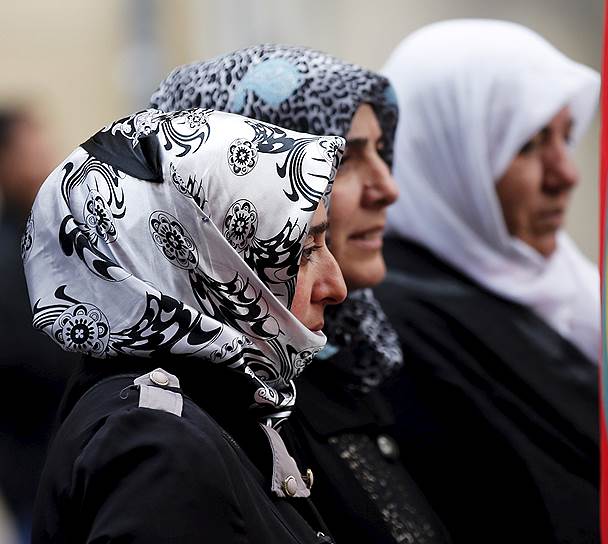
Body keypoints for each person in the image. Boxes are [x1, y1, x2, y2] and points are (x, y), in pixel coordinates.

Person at [150, 45, 449, 544]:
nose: (387, 187)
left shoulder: (357, 357)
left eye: (381, 151)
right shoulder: (216, 411)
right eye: (346, 159)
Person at [27, 107, 348, 542]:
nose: (336, 286)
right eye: (303, 251)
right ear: (200, 261)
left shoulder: (204, 405)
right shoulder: (159, 446)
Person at [376, 20, 602, 543]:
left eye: (566, 136)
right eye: (528, 144)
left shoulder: (572, 286)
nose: (565, 174)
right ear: (447, 158)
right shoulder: (390, 330)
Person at [0, 107, 73, 543]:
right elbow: (31, 354)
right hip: (37, 467)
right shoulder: (9, 255)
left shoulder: (53, 233)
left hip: (72, 453)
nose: (46, 157)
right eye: (30, 150)